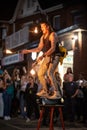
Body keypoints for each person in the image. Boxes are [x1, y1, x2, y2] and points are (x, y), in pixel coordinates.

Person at [22, 20, 63, 99]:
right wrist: (28, 51)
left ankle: (57, 93)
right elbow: (39, 48)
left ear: (47, 26)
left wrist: (42, 56)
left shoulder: (53, 34)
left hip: (55, 56)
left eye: (43, 27)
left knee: (50, 73)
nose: (42, 28)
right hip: (48, 56)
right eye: (41, 27)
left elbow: (53, 48)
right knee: (40, 73)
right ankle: (45, 91)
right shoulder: (42, 37)